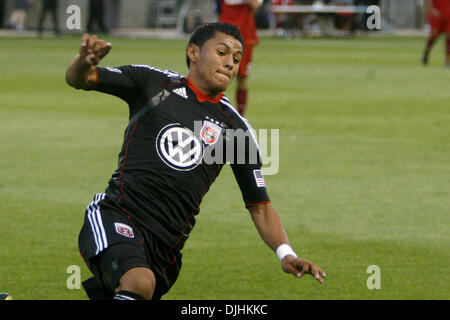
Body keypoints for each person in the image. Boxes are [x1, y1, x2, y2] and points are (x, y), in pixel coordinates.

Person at [66, 22, 326, 300]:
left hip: (164, 250)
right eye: (222, 52)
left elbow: (260, 207)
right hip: (117, 215)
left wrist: (286, 253)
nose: (230, 64)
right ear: (193, 51)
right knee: (138, 281)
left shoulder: (234, 129)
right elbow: (80, 79)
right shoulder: (153, 84)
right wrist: (83, 61)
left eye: (236, 59)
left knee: (138, 284)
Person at [218, 0, 263, 116]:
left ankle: (240, 117)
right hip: (226, 33)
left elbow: (256, 4)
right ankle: (214, 114)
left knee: (242, 77)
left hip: (245, 34)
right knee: (218, 77)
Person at [422, 0, 450, 66]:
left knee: (449, 36)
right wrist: (432, 10)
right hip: (436, 15)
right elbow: (427, 2)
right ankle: (426, 52)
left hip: (448, 15)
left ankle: (447, 60)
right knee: (433, 36)